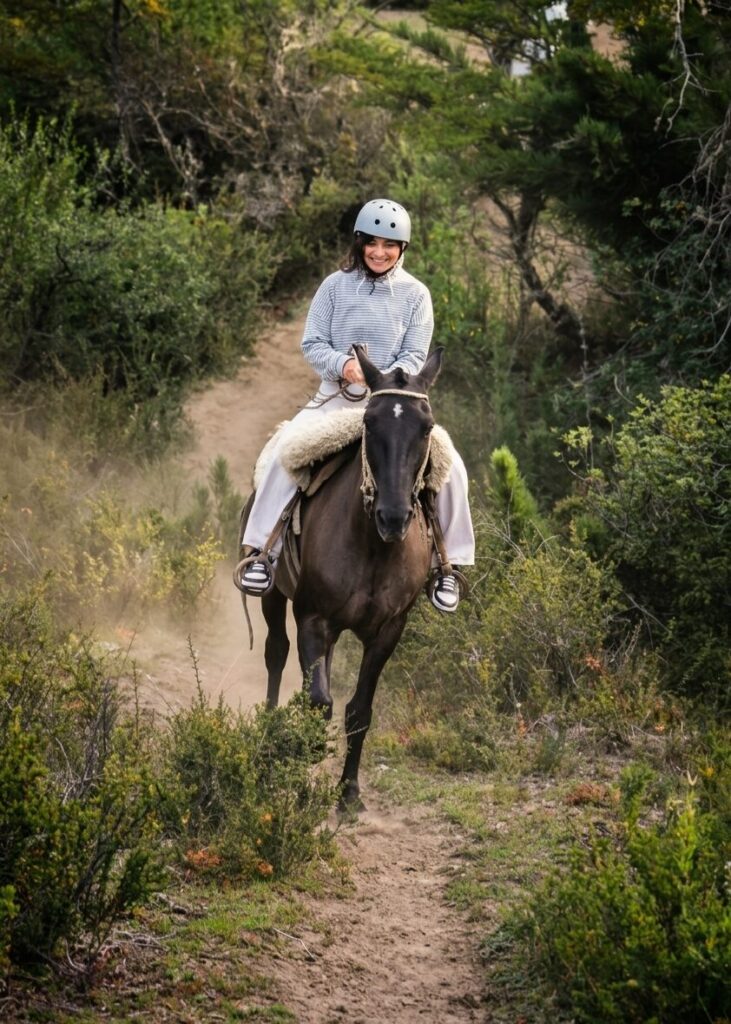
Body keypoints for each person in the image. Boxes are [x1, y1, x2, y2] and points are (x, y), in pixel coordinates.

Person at [239, 197, 475, 612]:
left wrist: (382, 380)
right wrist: (344, 365)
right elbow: (312, 343)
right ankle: (262, 553)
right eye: (372, 243)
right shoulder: (333, 286)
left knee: (452, 467)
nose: (379, 252)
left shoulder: (417, 294)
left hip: (393, 407)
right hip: (332, 401)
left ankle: (448, 567)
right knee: (283, 450)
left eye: (390, 245)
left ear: (402, 249)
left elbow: (415, 355)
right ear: (360, 243)